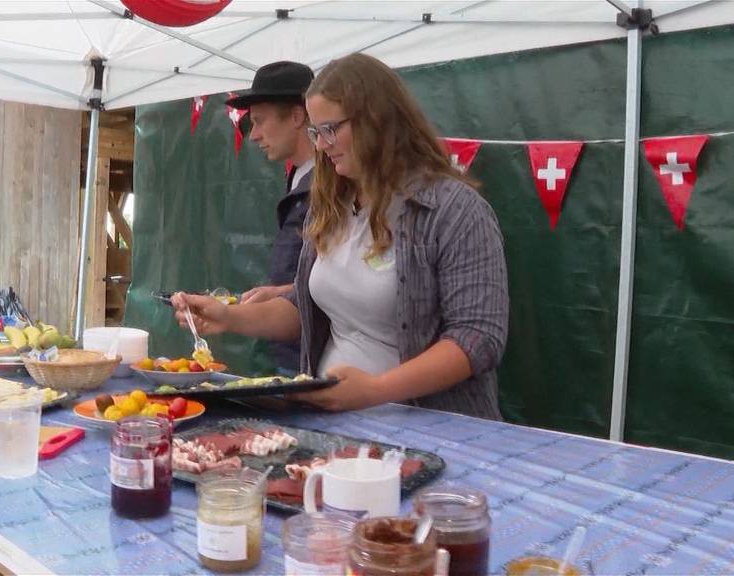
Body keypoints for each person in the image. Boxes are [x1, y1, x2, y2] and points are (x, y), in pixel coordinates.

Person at [174, 53, 509, 420]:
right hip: (337, 421)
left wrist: (377, 390)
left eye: (330, 129)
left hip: (431, 431)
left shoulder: (455, 211)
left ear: (377, 121)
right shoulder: (329, 205)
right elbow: (304, 310)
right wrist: (228, 317)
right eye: (317, 132)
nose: (320, 144)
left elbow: (478, 337)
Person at [226, 61, 316, 374]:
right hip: (292, 353)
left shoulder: (333, 185)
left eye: (260, 121)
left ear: (297, 116)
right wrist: (280, 293)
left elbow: (341, 284)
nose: (253, 135)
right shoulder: (299, 177)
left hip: (317, 360)